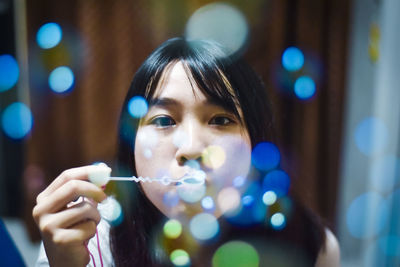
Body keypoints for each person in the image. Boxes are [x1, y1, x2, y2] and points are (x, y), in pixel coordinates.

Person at [33, 37, 340, 267]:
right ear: (132, 148)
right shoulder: (84, 240)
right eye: (164, 120)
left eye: (221, 120)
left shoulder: (312, 247)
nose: (192, 147)